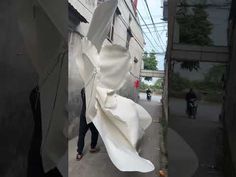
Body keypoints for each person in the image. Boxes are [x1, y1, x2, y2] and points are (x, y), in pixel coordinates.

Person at [76, 88, 99, 160]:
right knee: (94, 132)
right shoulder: (95, 91)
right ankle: (92, 147)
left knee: (82, 134)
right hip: (90, 116)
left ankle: (79, 153)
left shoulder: (83, 90)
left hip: (85, 115)